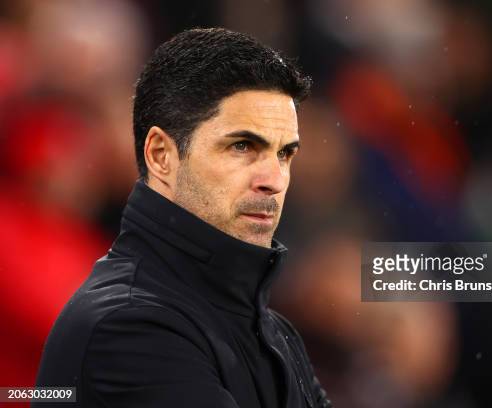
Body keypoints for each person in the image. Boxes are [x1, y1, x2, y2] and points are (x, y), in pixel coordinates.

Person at [34, 27, 332, 408]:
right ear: (161, 156)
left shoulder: (276, 335)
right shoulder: (130, 327)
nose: (274, 180)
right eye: (242, 146)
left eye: (284, 154)